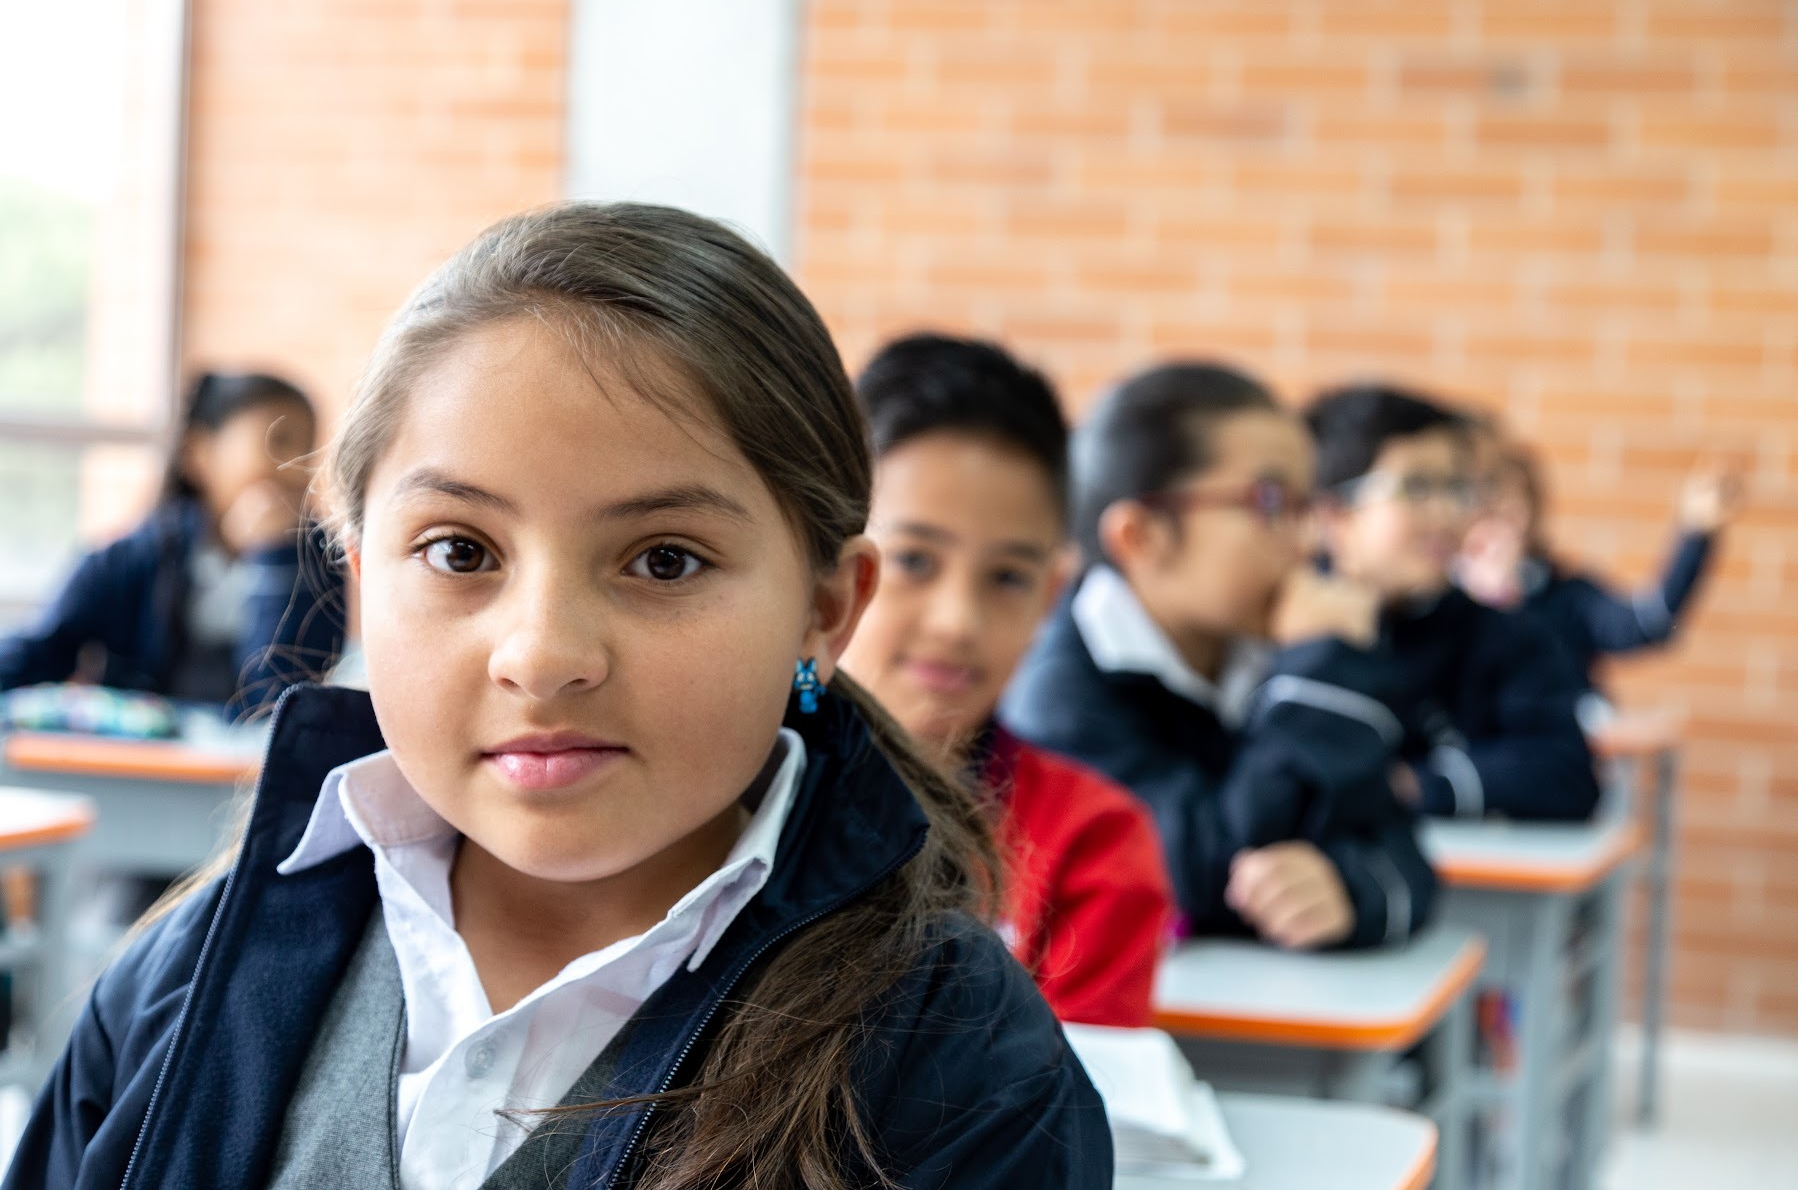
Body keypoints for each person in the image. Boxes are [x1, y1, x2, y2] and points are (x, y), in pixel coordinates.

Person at [5, 204, 1110, 1190]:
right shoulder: (188, 974)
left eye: (665, 559)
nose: (541, 653)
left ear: (825, 605)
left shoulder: (962, 1071)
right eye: (458, 549)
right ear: (354, 576)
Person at [1005, 362, 1435, 951]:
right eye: (1270, 501)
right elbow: (1194, 877)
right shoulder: (1059, 697)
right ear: (1141, 537)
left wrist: (1351, 891)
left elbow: (1400, 845)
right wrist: (1318, 677)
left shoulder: (1261, 648)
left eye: (1308, 504)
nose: (1309, 542)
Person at [843, 332, 1174, 1027]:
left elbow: (1058, 1119)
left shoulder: (1094, 845)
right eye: (913, 560)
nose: (957, 621)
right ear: (830, 565)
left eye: (1007, 577)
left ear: (1052, 592)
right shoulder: (719, 801)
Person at [1306, 384, 1600, 821]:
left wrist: (1412, 787)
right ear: (1335, 515)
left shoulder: (1508, 638)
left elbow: (1566, 774)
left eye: (1455, 488)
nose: (1446, 513)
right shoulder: (1280, 636)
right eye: (1417, 487)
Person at [0, 371, 344, 719]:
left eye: (307, 450)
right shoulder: (135, 556)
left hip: (248, 768)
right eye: (279, 443)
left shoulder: (320, 565)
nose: (297, 470)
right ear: (201, 454)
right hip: (140, 761)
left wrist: (277, 557)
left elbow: (276, 704)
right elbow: (41, 651)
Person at [1459, 442, 1738, 714]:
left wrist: (1695, 533)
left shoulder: (1566, 595)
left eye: (1511, 510)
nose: (1496, 526)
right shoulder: (1439, 605)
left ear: (1532, 516)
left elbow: (1647, 622)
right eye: (1485, 508)